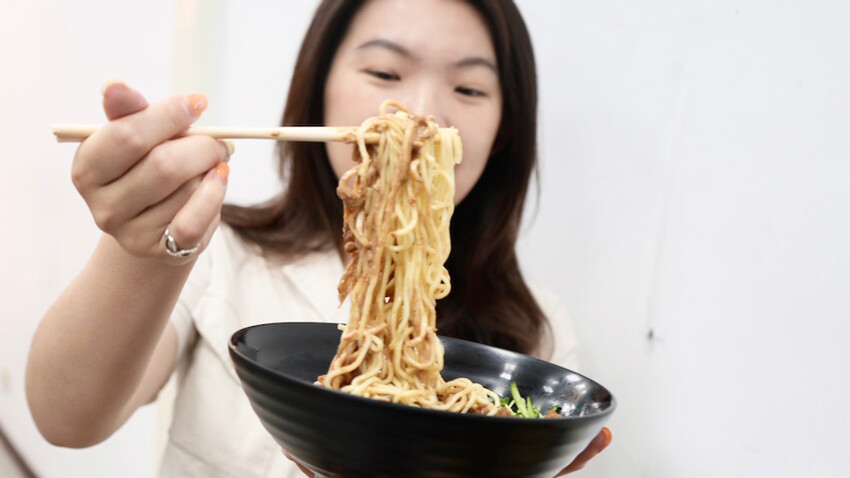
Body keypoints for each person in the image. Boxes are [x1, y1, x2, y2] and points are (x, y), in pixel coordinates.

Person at [26, 0, 612, 476]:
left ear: (506, 128)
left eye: (470, 90)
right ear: (318, 89)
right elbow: (66, 420)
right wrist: (142, 248)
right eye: (385, 73)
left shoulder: (538, 331)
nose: (423, 115)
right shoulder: (223, 252)